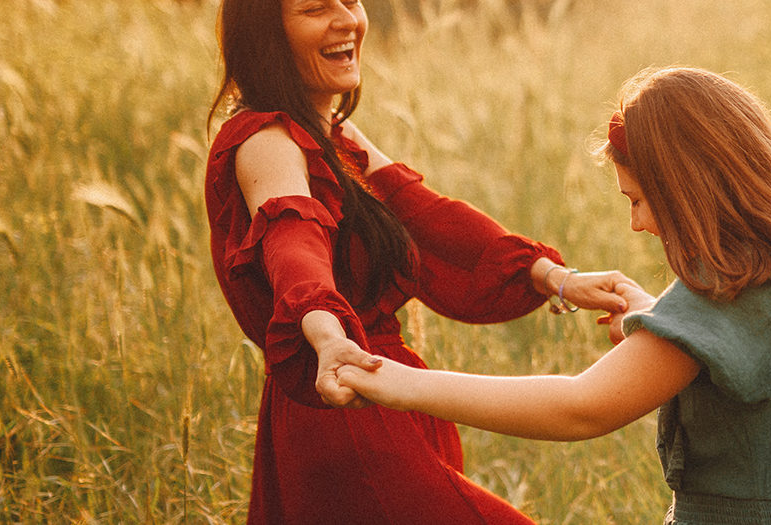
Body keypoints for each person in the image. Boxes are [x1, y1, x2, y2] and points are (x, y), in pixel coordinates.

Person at [338, 66, 771, 524]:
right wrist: (660, 319)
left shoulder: (737, 284)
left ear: (687, 188)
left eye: (638, 200)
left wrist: (400, 382)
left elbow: (581, 409)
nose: (636, 224)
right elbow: (755, 365)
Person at [203, 0, 640, 522]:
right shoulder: (266, 142)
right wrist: (326, 334)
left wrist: (557, 279)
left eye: (350, 0)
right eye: (316, 7)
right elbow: (293, 244)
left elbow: (428, 218)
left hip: (383, 400)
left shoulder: (330, 133)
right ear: (265, 34)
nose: (347, 20)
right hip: (347, 402)